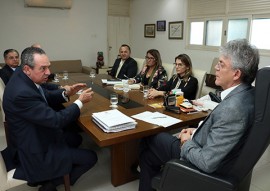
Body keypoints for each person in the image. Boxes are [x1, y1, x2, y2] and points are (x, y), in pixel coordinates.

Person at [138, 39, 259, 191]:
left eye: (221, 64)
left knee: (150, 136)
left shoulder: (233, 108)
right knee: (147, 156)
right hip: (204, 144)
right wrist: (196, 130)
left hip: (198, 158)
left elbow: (207, 162)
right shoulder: (247, 95)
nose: (215, 67)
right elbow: (223, 131)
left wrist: (186, 142)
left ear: (236, 73)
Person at [2, 47, 98, 191]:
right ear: (27, 69)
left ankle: (56, 174)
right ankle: (55, 182)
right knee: (91, 157)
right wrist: (80, 102)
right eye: (43, 68)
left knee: (76, 139)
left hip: (36, 132)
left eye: (48, 67)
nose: (48, 72)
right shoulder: (22, 93)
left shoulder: (22, 77)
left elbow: (44, 95)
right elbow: (56, 120)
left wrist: (66, 92)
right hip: (35, 149)